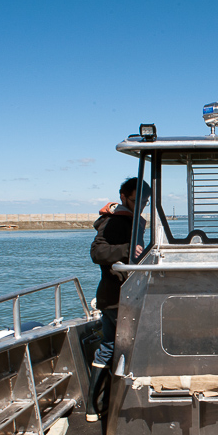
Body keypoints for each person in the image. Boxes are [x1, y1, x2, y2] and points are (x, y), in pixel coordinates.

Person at [88, 177, 150, 421]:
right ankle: (105, 405)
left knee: (110, 347)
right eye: (136, 200)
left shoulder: (132, 220)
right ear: (124, 197)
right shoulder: (114, 222)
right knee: (118, 347)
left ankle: (98, 405)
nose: (141, 205)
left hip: (120, 295)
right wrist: (127, 250)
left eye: (144, 201)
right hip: (117, 296)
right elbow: (97, 252)